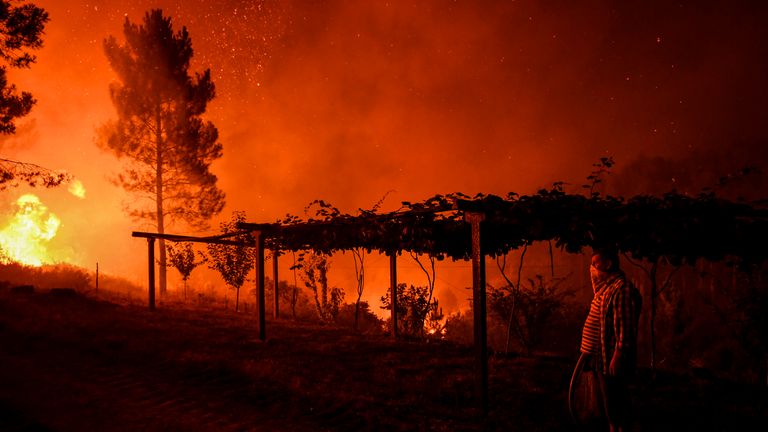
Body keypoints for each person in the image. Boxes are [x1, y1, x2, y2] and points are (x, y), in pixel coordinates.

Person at [572, 247, 642, 432]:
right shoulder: (606, 289)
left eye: (596, 263)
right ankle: (614, 425)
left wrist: (618, 354)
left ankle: (620, 428)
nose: (592, 268)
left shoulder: (621, 288)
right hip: (600, 356)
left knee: (616, 397)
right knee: (608, 398)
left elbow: (624, 326)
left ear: (609, 264)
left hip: (610, 356)